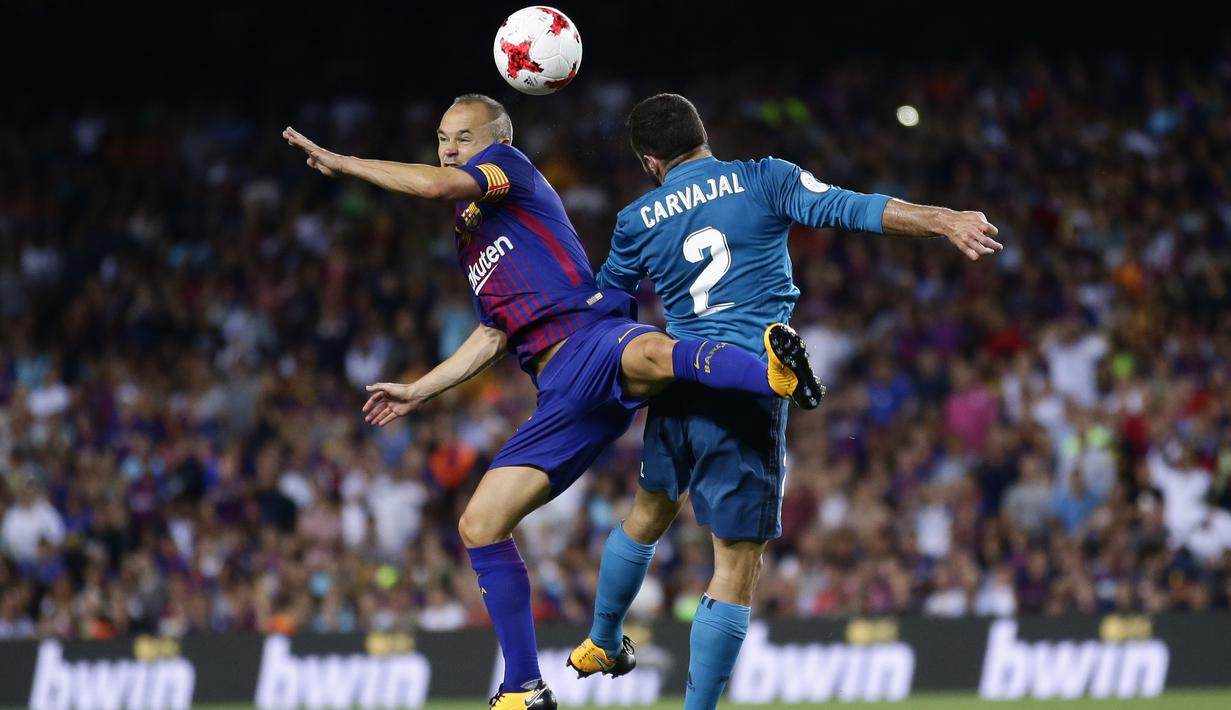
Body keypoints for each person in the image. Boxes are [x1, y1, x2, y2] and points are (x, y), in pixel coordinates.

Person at [282, 94, 821, 710]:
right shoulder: (471, 236)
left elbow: (434, 186)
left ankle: (774, 377)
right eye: (442, 138)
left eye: (463, 138)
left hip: (589, 336)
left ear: (497, 140)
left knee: (653, 354)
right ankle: (523, 687)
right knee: (479, 525)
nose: (450, 149)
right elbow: (493, 334)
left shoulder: (510, 170)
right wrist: (419, 390)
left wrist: (341, 161)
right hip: (559, 391)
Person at [567, 93, 1001, 710]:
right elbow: (850, 208)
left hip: (678, 377)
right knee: (735, 566)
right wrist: (943, 219)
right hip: (748, 385)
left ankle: (601, 639)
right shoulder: (763, 178)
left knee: (645, 516)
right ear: (704, 135)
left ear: (650, 162)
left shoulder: (637, 218)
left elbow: (605, 309)